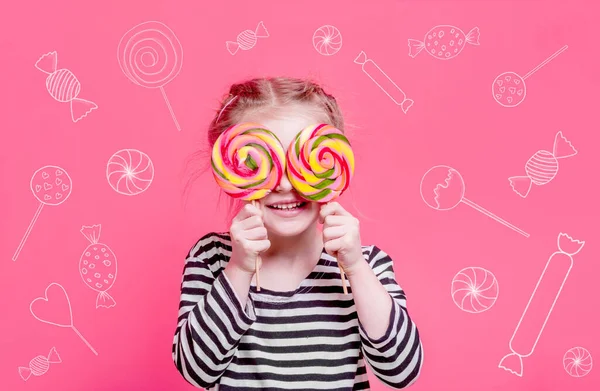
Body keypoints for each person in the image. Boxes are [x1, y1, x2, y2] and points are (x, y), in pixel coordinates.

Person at [172, 77, 423, 390]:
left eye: (302, 163)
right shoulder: (213, 257)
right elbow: (198, 370)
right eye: (261, 161)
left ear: (331, 165)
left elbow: (401, 371)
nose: (285, 184)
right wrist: (238, 268)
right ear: (233, 167)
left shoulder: (366, 264)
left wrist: (356, 267)